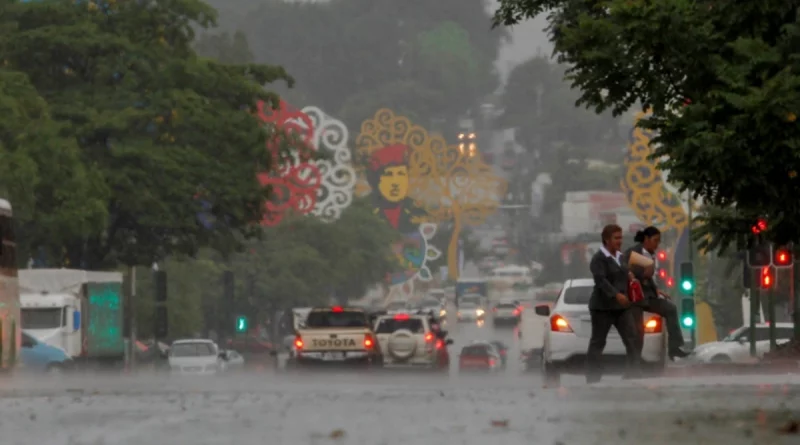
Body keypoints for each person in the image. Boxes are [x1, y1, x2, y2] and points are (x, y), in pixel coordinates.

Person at [624, 226, 689, 360]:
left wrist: (657, 290)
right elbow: (621, 266)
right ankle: (633, 368)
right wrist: (637, 274)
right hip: (635, 298)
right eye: (655, 240)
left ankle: (674, 348)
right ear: (646, 239)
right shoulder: (633, 252)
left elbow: (650, 277)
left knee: (671, 308)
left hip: (649, 296)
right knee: (638, 333)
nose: (657, 244)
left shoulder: (652, 255)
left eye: (659, 241)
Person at [587, 224, 641, 383]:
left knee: (632, 338)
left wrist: (630, 276)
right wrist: (616, 294)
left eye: (621, 237)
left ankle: (633, 374)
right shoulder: (598, 259)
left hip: (621, 308)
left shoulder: (621, 257)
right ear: (606, 240)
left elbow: (624, 271)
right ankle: (593, 378)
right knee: (598, 342)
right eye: (616, 238)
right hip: (602, 308)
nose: (620, 241)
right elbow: (601, 281)